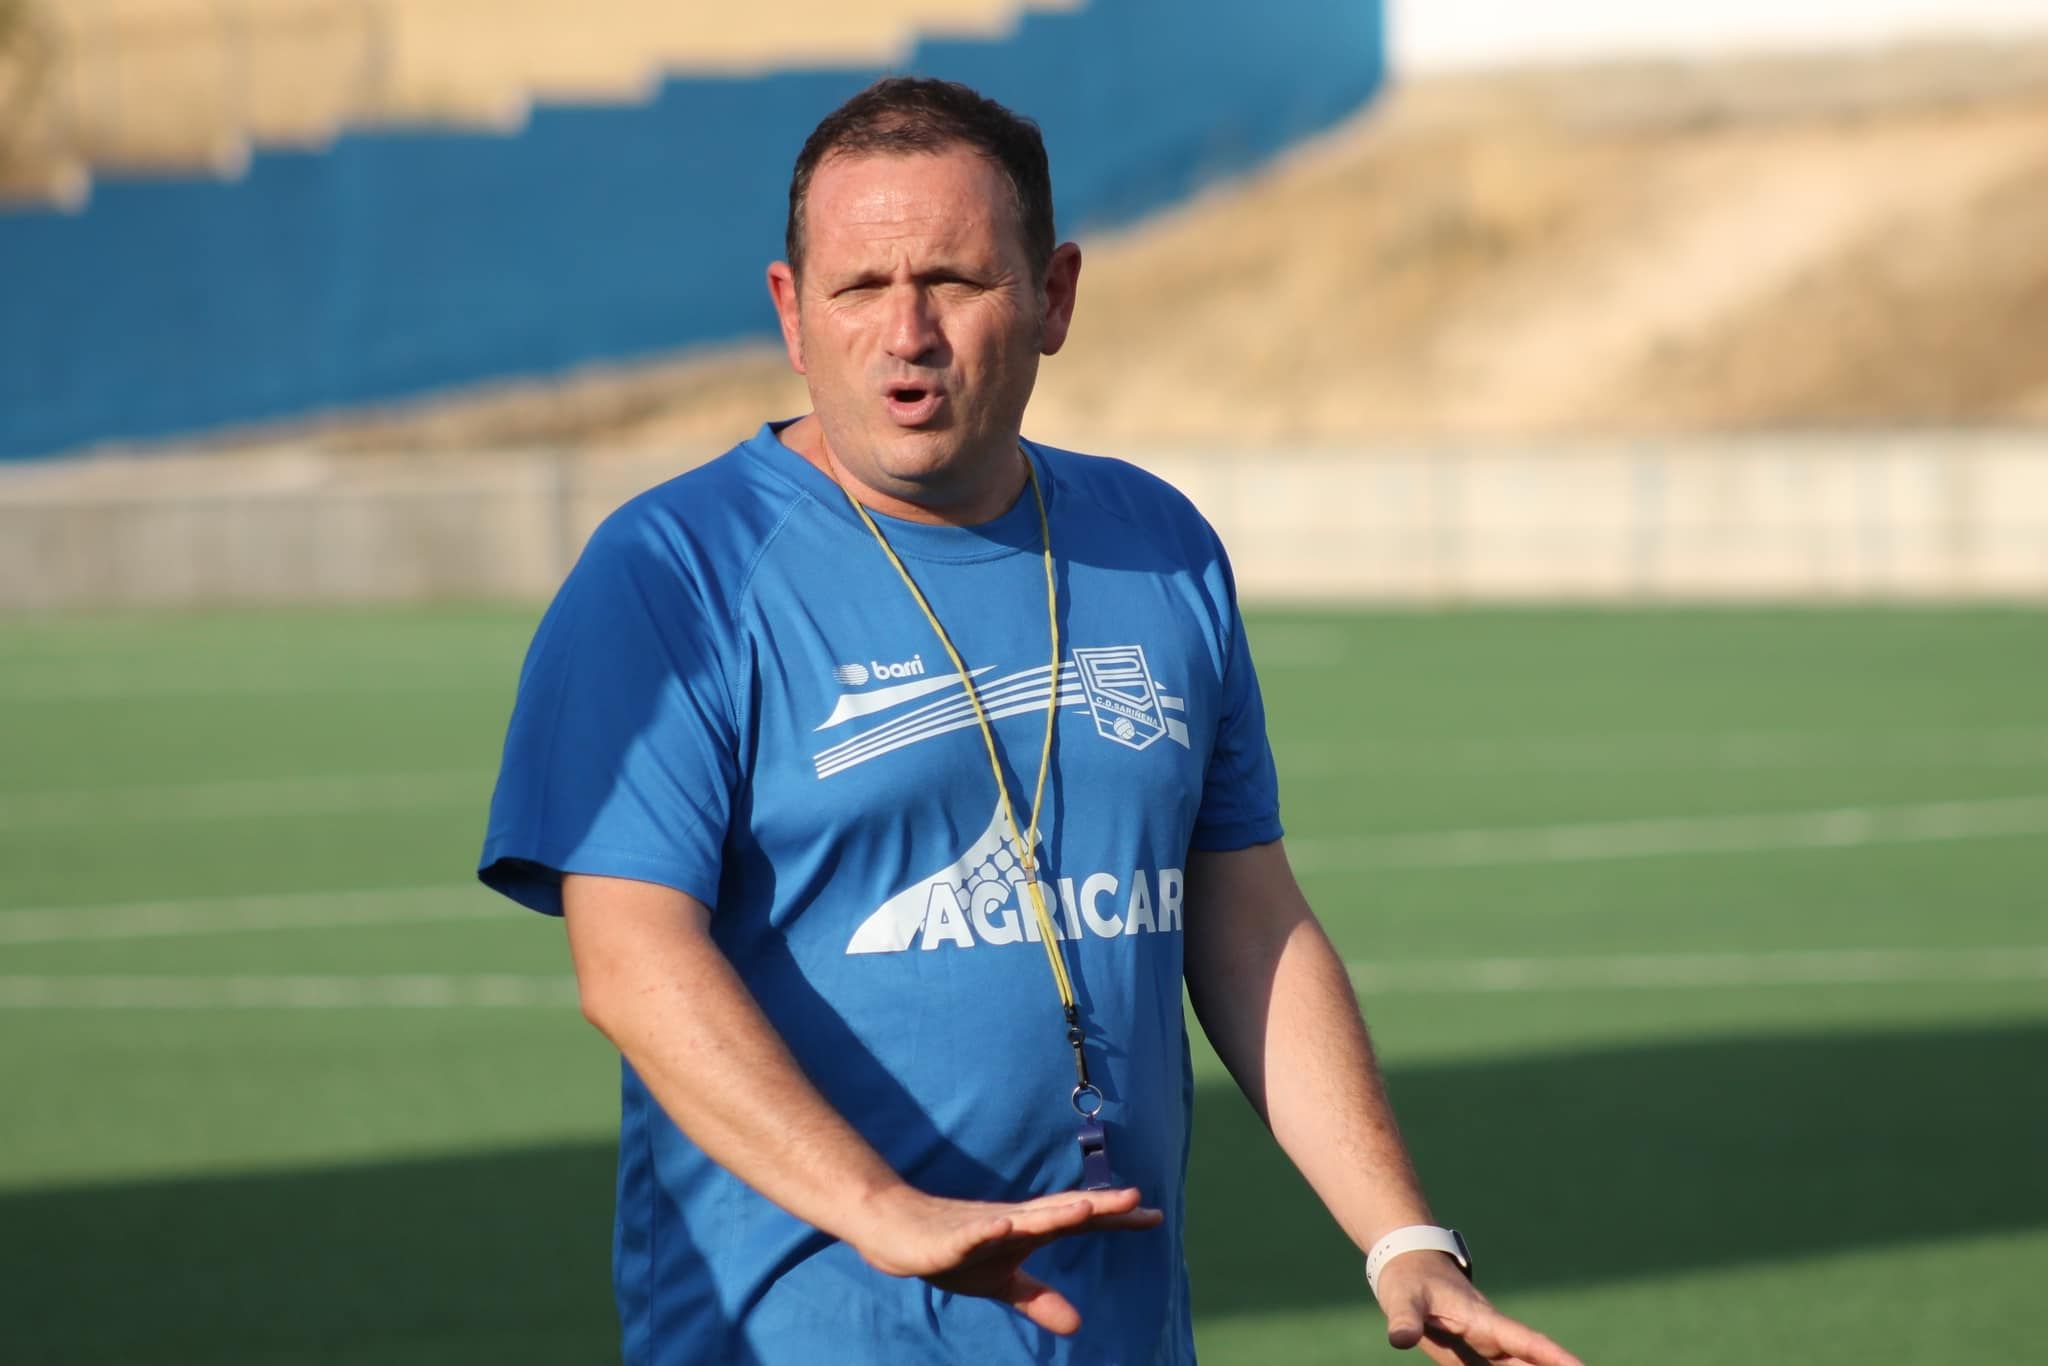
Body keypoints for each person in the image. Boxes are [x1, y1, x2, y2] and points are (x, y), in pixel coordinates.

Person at [480, 76, 1584, 1366]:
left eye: (954, 280)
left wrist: (1403, 1241)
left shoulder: (1156, 546)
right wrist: (882, 1211)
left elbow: (1245, 917)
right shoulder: (673, 571)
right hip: (803, 1335)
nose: (906, 332)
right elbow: (631, 962)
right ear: (790, 311)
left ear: (1053, 296)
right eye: (857, 289)